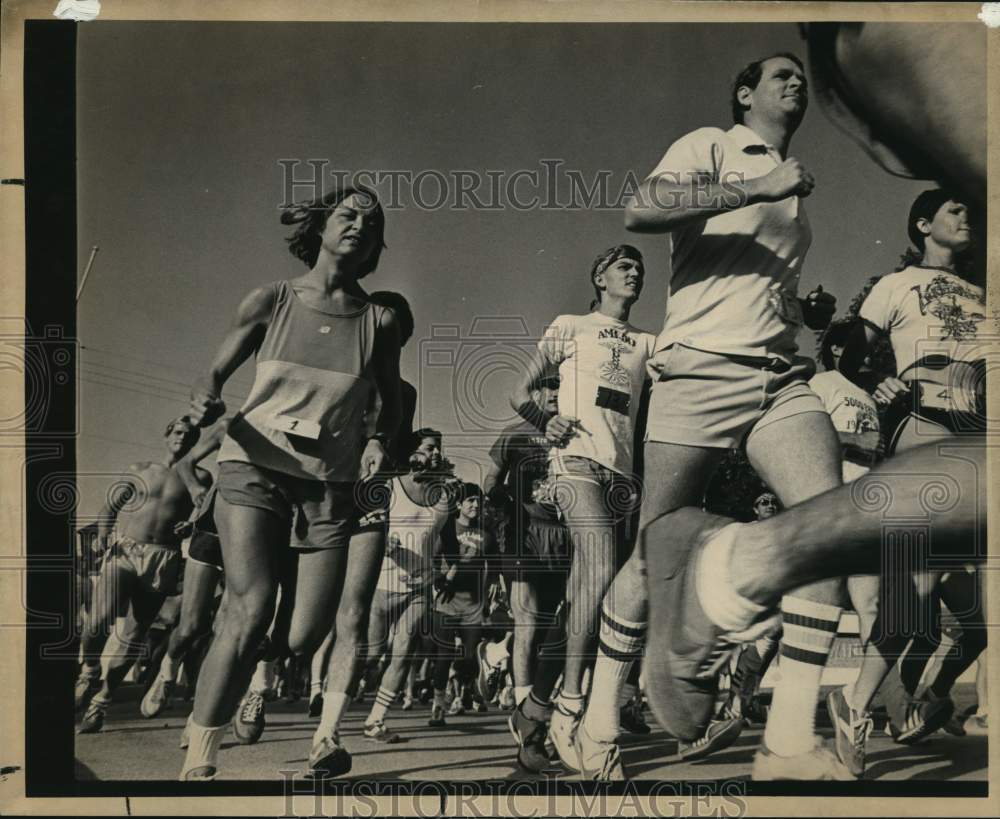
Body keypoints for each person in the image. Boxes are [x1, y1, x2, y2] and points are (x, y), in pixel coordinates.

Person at [619, 51, 847, 780]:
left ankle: (786, 744)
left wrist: (797, 328)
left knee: (828, 531)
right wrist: (757, 183)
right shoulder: (711, 145)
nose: (796, 83)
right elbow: (640, 209)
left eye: (800, 78)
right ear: (745, 94)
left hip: (777, 379)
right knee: (652, 551)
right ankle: (587, 715)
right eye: (780, 74)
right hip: (698, 367)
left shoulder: (793, 185)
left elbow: (759, 284)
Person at [179, 184, 403, 781]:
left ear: (376, 242)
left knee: (302, 637)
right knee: (249, 609)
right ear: (322, 226)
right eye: (347, 214)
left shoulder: (378, 320)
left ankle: (236, 678)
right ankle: (201, 756)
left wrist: (380, 440)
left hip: (327, 486)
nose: (358, 224)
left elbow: (393, 400)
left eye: (370, 220)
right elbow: (214, 371)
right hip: (253, 467)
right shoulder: (272, 299)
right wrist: (205, 396)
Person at [830, 189, 986, 775]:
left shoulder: (983, 292)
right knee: (915, 589)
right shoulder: (895, 285)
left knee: (969, 610)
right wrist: (878, 382)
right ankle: (856, 705)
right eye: (954, 210)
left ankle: (914, 700)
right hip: (921, 433)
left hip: (975, 444)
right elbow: (849, 359)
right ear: (923, 224)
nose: (965, 217)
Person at [507, 244, 654, 779]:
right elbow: (518, 391)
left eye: (640, 268)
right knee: (595, 575)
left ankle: (533, 712)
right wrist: (544, 422)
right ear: (600, 277)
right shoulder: (571, 325)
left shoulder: (648, 343)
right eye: (623, 266)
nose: (634, 273)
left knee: (589, 601)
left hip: (623, 478)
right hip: (575, 466)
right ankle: (572, 707)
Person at [75, 417, 210, 733]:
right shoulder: (139, 469)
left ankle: (101, 703)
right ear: (167, 435)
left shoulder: (199, 477)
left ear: (196, 442)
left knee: (134, 637)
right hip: (126, 551)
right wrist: (103, 538)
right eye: (178, 432)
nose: (183, 439)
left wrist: (190, 527)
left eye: (190, 436)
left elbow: (203, 520)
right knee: (97, 621)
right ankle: (89, 670)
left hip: (164, 558)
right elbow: (109, 509)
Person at [361, 429, 455, 741]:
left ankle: (376, 721)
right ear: (413, 452)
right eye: (430, 448)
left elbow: (445, 541)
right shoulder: (390, 486)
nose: (436, 454)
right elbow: (368, 529)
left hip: (419, 589)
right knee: (372, 656)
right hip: (381, 584)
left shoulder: (442, 497)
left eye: (438, 449)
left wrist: (441, 574)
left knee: (403, 650)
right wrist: (382, 540)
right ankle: (343, 697)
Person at [483, 378, 570, 710]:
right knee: (528, 621)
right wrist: (496, 494)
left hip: (562, 536)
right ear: (536, 393)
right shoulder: (514, 432)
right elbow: (492, 475)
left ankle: (499, 651)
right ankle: (524, 709)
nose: (555, 394)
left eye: (562, 387)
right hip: (522, 530)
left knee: (548, 626)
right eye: (549, 387)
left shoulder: (574, 436)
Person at [430, 483, 497, 724]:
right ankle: (438, 704)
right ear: (459, 504)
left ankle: (459, 691)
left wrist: (490, 593)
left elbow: (495, 566)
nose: (476, 505)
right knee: (443, 655)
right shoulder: (447, 528)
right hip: (446, 602)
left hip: (473, 604)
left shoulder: (487, 534)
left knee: (469, 658)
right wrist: (438, 580)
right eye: (470, 501)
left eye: (479, 501)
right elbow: (432, 560)